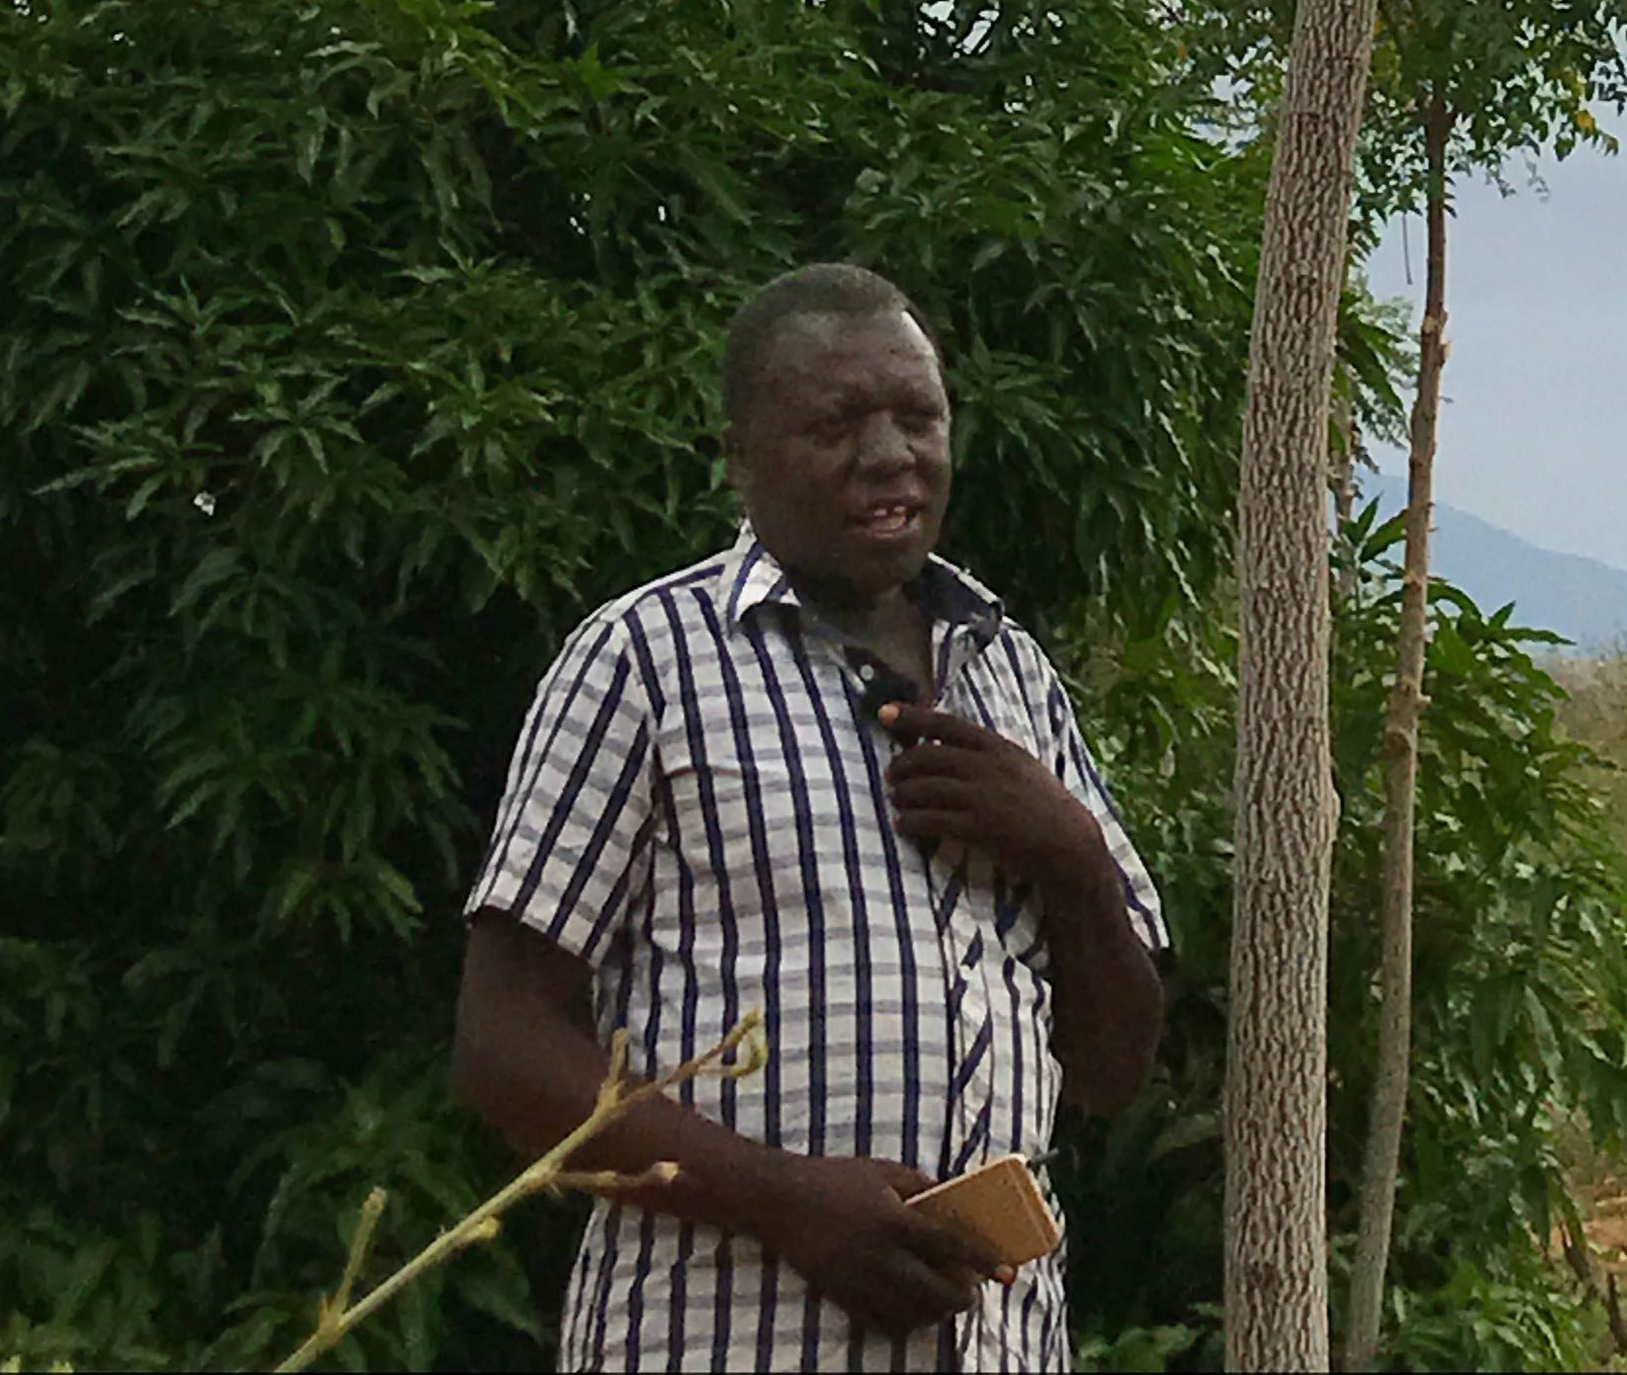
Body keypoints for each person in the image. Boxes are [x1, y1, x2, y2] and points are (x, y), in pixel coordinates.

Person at [454, 263, 1167, 1373]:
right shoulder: (643, 659)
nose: (889, 455)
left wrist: (1068, 852)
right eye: (836, 423)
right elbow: (503, 1049)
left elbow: (1112, 1073)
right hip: (715, 1341)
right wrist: (783, 1202)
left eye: (917, 416)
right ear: (741, 460)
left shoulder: (1013, 678)